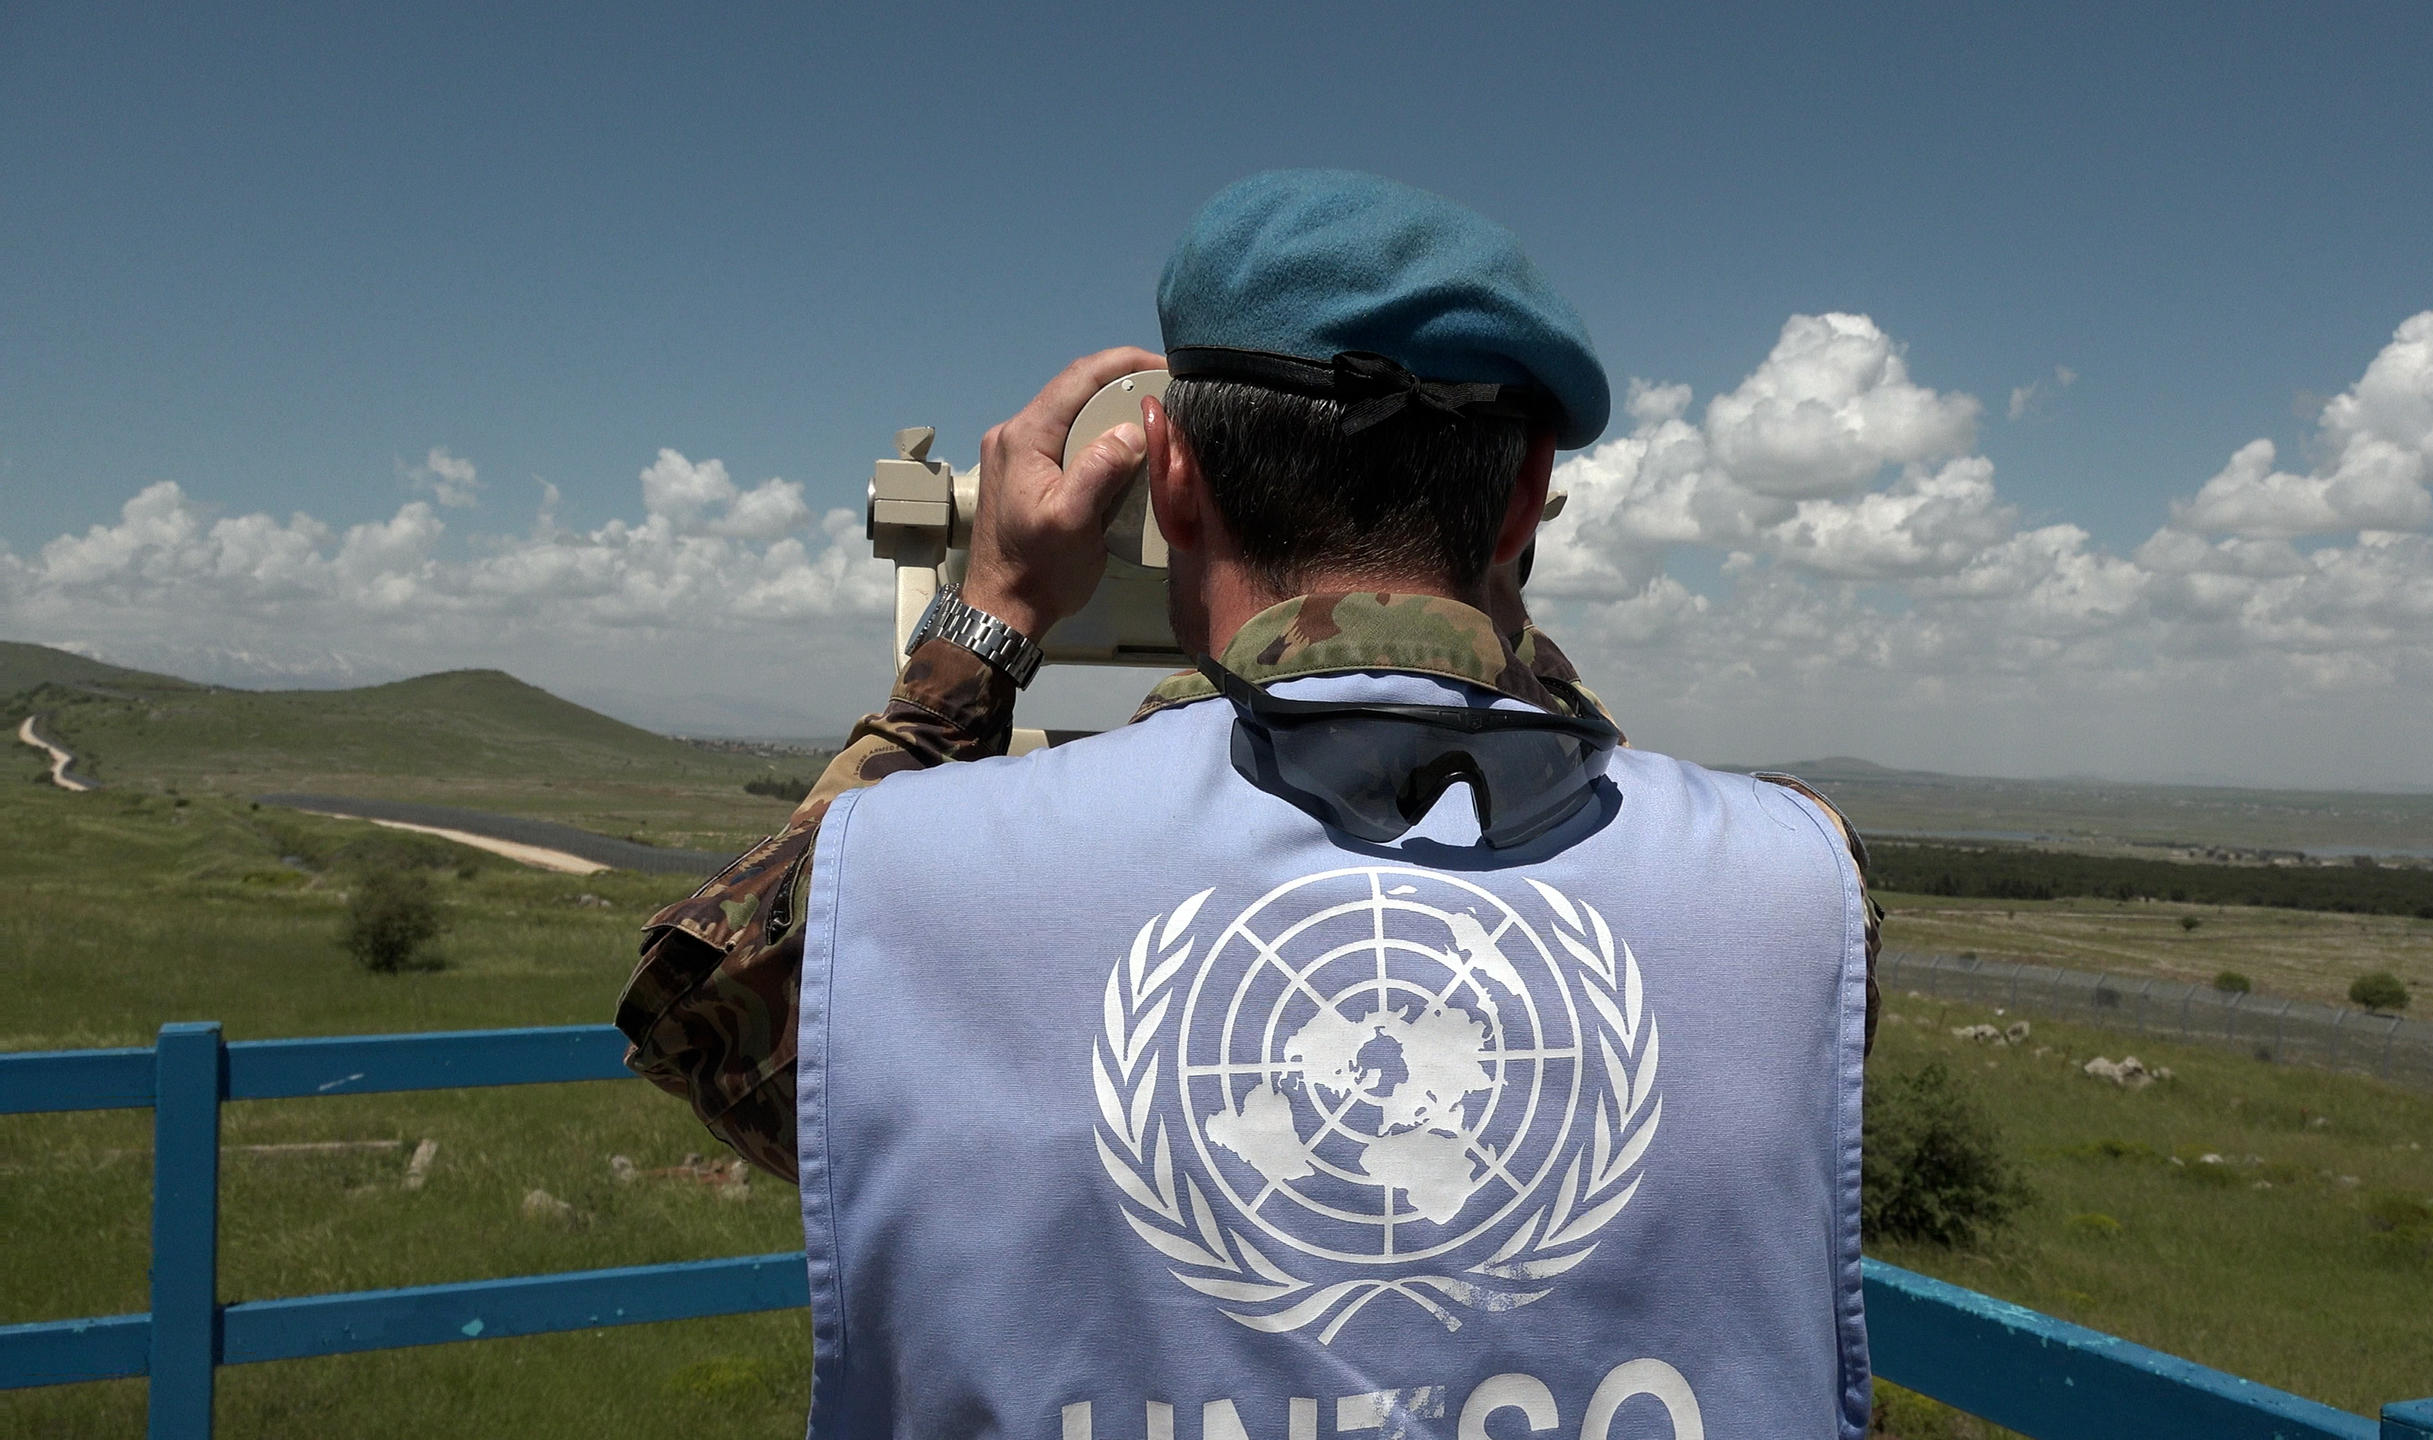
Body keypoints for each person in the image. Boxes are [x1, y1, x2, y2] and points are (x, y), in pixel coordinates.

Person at [618, 170, 1881, 1440]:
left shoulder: (906, 891)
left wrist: (985, 620)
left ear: (1167, 480)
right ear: (1522, 500)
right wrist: (1488, 592)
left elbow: (695, 1020)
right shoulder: (1801, 894)